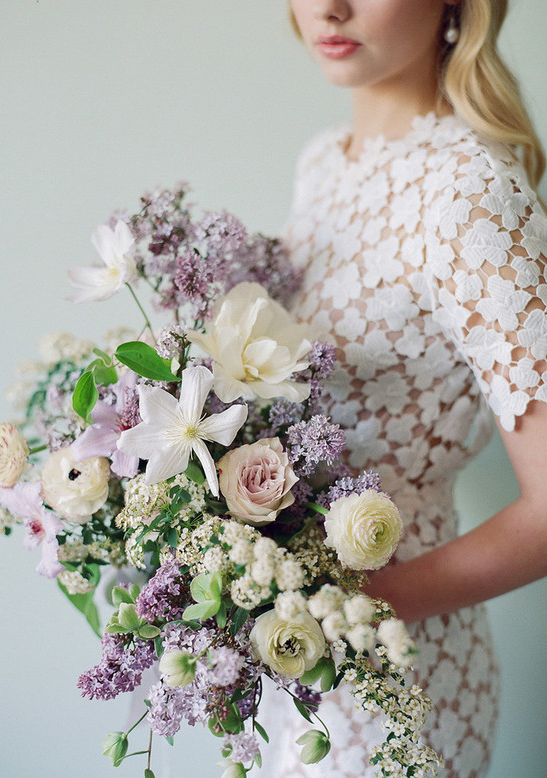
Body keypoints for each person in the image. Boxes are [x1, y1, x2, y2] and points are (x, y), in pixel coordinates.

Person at [259, 1, 547, 776]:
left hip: (400, 663)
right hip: (300, 649)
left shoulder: (469, 190)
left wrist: (358, 606)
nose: (330, 6)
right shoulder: (324, 162)